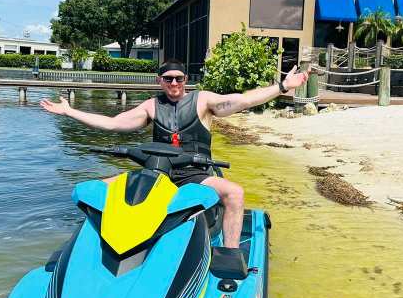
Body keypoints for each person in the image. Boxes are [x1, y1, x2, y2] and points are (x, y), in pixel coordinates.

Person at [40, 59, 308, 248]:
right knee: (93, 190)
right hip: (156, 173)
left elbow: (244, 99)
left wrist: (282, 87)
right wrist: (70, 112)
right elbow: (113, 123)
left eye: (178, 78)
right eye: (168, 79)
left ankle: (230, 254)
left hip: (195, 174)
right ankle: (96, 248)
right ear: (160, 81)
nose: (174, 83)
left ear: (185, 80)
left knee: (234, 192)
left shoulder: (203, 100)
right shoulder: (151, 106)